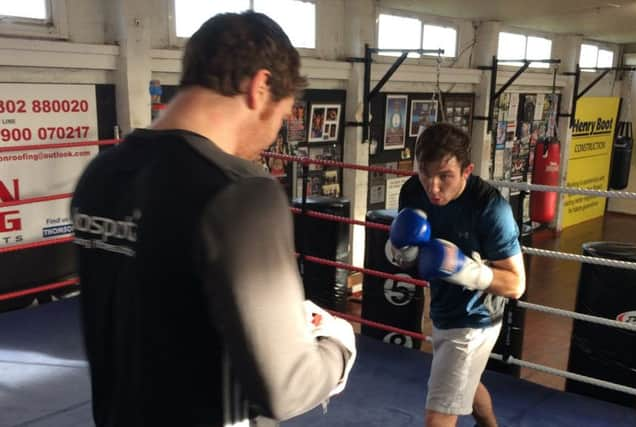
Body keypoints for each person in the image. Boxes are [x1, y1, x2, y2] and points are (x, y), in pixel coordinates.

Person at [71, 12, 356, 427]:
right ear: (259, 87)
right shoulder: (239, 191)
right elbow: (287, 387)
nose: (273, 136)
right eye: (281, 116)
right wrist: (337, 346)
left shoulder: (99, 175)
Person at [386, 123, 526, 427]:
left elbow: (516, 284)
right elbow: (407, 255)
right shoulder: (413, 191)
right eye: (425, 173)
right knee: (467, 386)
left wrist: (466, 270)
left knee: (439, 416)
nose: (433, 187)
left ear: (467, 171)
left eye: (445, 176)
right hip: (441, 309)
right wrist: (400, 250)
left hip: (476, 319)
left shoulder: (490, 208)